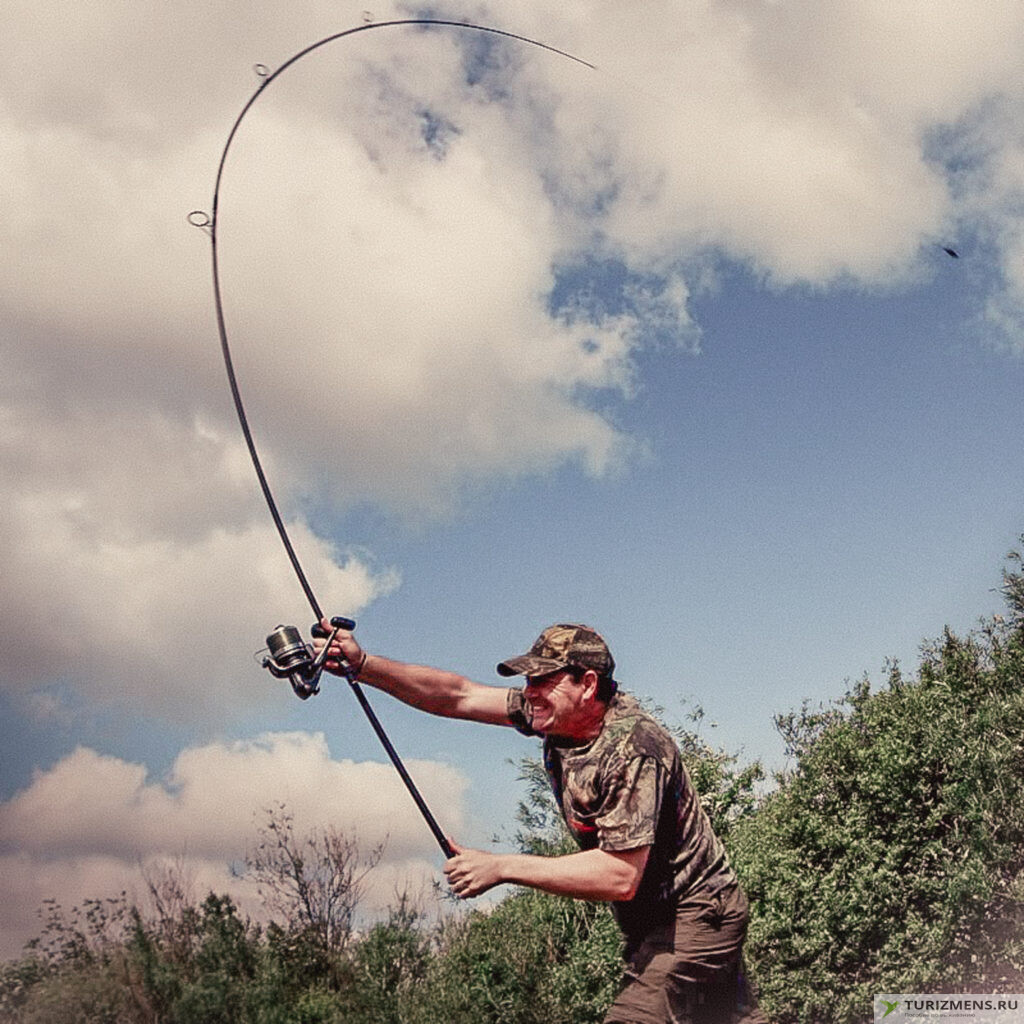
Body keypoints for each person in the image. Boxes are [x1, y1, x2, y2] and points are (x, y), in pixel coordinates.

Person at [316, 621, 769, 1024]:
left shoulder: (635, 747)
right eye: (528, 680)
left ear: (588, 685)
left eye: (544, 680)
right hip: (654, 922)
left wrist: (501, 867)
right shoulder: (552, 715)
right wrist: (364, 665)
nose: (530, 692)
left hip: (695, 914)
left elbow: (620, 875)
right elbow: (457, 696)